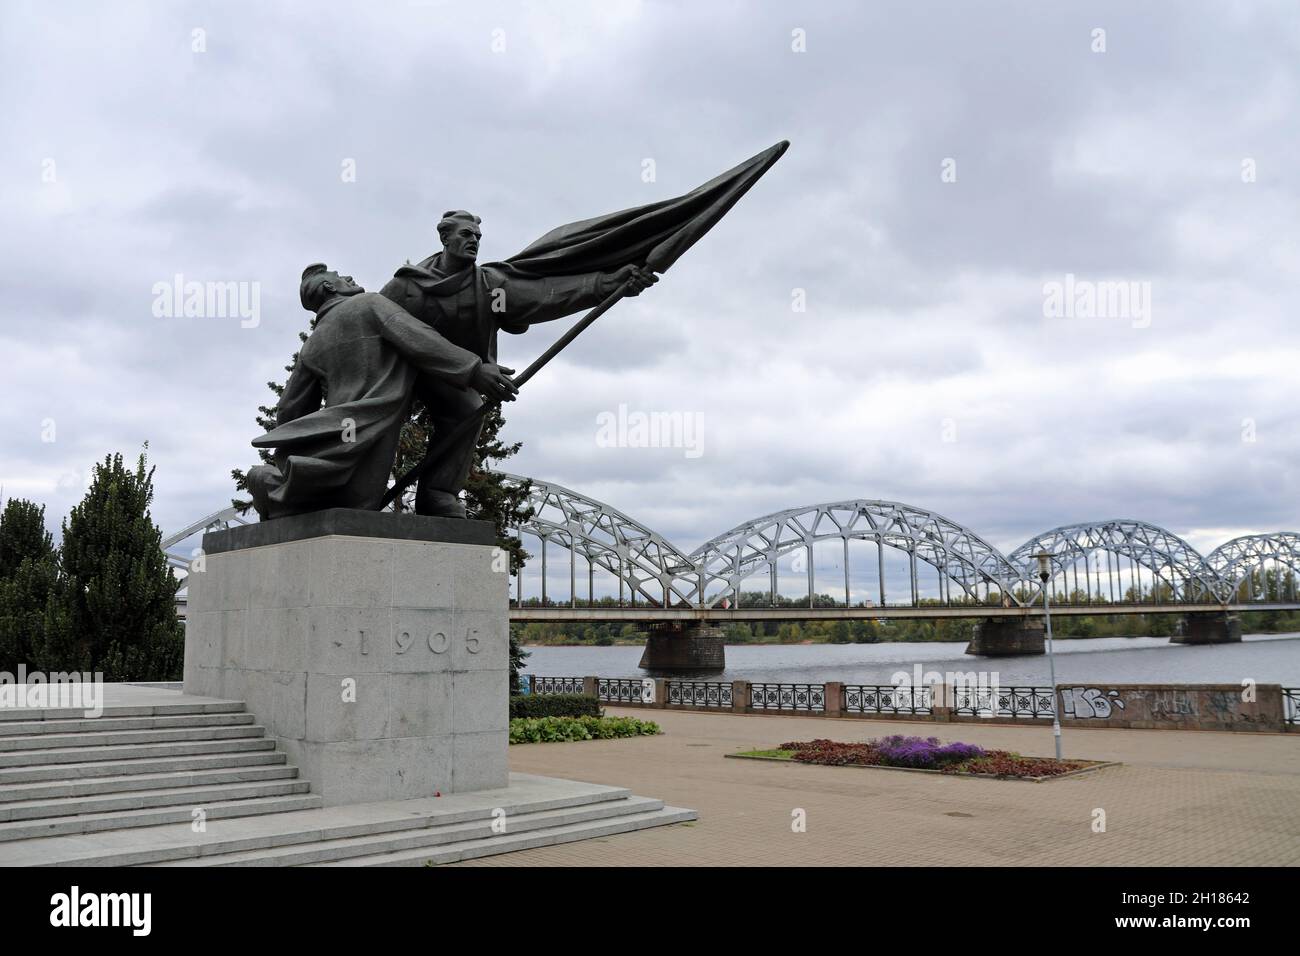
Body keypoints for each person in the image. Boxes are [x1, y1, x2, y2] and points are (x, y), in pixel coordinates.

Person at [381, 210, 656, 516]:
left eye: (477, 237)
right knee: (380, 413)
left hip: (449, 376)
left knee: (467, 409)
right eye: (465, 235)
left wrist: (606, 284)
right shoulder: (406, 287)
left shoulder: (489, 284)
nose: (473, 241)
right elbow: (379, 330)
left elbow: (545, 295)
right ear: (444, 238)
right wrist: (471, 370)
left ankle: (437, 494)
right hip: (399, 370)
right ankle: (361, 490)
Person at [245, 264, 518, 520]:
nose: (350, 279)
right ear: (330, 286)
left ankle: (273, 486)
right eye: (342, 277)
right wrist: (474, 370)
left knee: (347, 505)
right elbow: (419, 338)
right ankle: (268, 483)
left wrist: (296, 443)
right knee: (357, 506)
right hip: (374, 427)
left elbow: (290, 409)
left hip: (338, 436)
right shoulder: (369, 304)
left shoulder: (312, 344)